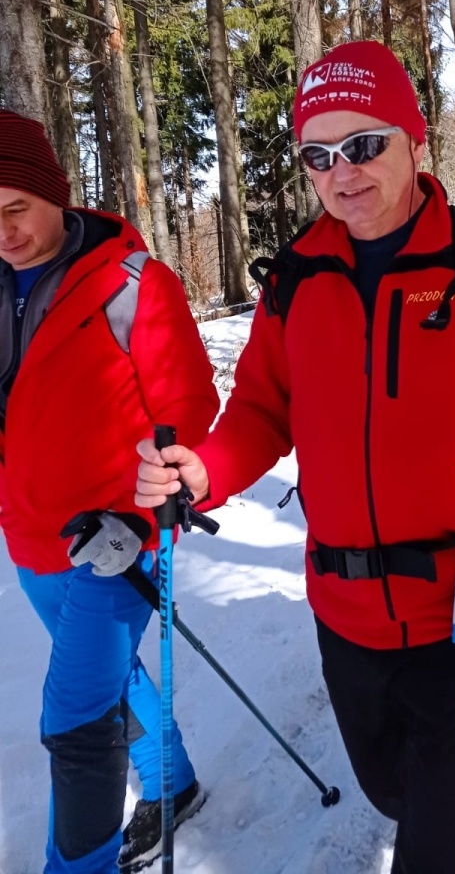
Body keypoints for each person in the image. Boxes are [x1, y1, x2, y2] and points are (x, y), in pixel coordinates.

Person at [135, 40, 455, 874]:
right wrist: (207, 468)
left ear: (414, 137)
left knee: (441, 851)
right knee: (393, 792)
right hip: (342, 608)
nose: (343, 172)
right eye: (318, 155)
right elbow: (262, 407)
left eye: (364, 144)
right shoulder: (296, 277)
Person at [0, 110, 219, 874]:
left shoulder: (131, 283)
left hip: (116, 543)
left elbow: (191, 403)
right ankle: (174, 783)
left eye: (14, 209)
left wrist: (147, 494)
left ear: (55, 195)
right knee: (111, 676)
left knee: (75, 721)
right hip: (31, 540)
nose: (4, 232)